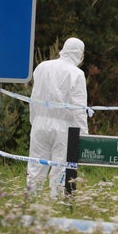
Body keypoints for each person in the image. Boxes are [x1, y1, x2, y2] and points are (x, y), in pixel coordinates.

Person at [26, 37, 88, 198]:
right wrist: (84, 137)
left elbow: (33, 98)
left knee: (35, 167)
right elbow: (79, 109)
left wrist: (34, 121)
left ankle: (30, 203)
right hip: (64, 127)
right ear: (79, 54)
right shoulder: (77, 74)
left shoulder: (42, 67)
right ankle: (57, 206)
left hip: (39, 123)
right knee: (60, 169)